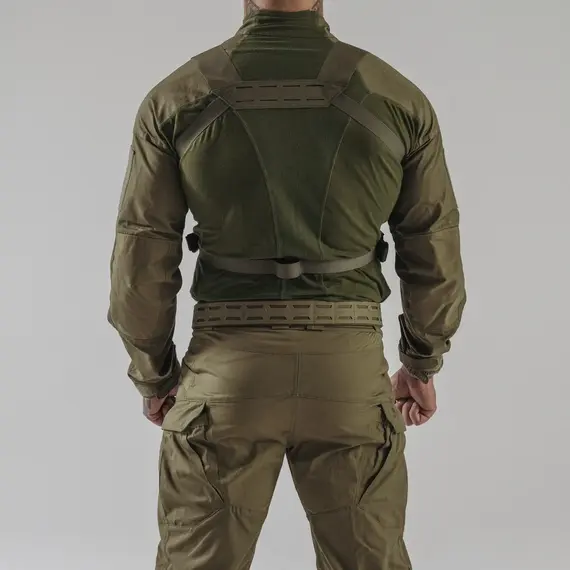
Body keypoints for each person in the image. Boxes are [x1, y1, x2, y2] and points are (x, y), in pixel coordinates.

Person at [107, 0, 466, 568]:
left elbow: (142, 253)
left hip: (225, 379)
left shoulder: (177, 97)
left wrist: (153, 375)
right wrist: (421, 363)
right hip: (349, 378)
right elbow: (433, 248)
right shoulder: (396, 97)